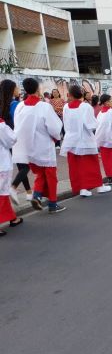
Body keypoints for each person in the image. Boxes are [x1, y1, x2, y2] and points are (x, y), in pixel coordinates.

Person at [13, 78, 65, 213]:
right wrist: (55, 137)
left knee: (40, 175)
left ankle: (36, 196)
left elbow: (17, 126)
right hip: (44, 146)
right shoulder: (44, 106)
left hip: (29, 148)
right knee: (51, 176)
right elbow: (54, 127)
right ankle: (53, 204)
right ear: (38, 89)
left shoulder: (20, 106)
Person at [61, 84, 111, 197]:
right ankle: (99, 186)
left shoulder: (66, 107)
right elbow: (91, 125)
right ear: (82, 94)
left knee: (77, 167)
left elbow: (65, 123)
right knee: (92, 165)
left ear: (70, 95)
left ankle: (83, 188)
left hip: (71, 140)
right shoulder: (85, 107)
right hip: (85, 140)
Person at [0, 79, 32, 203]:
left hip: (4, 139)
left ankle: (29, 193)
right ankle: (13, 187)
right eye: (16, 88)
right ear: (12, 90)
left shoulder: (3, 104)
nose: (18, 90)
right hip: (15, 137)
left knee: (21, 166)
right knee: (26, 166)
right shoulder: (16, 105)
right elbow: (21, 123)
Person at [0, 115, 22, 236]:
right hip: (1, 164)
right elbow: (10, 140)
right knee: (2, 192)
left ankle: (12, 217)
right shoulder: (1, 126)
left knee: (3, 192)